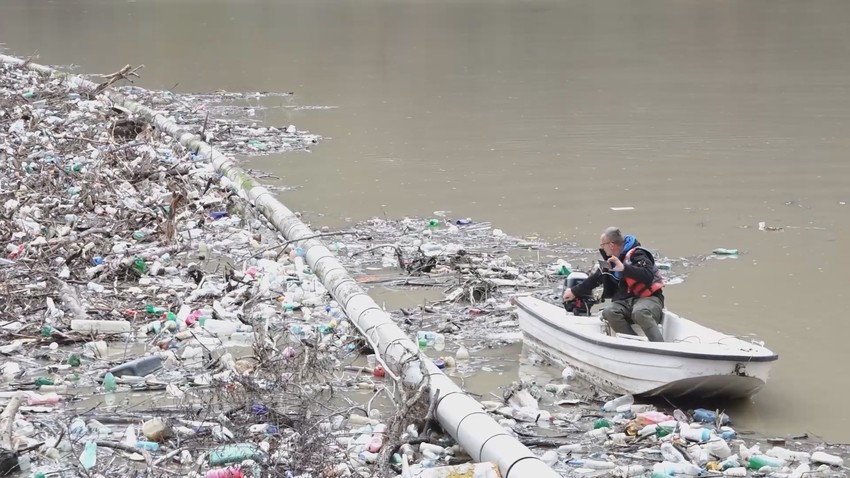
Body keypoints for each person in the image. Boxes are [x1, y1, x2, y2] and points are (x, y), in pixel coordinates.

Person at [562, 227, 666, 342]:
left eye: (603, 245)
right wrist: (573, 291)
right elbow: (597, 278)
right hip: (626, 302)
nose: (602, 248)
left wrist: (624, 268)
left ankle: (661, 347)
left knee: (640, 312)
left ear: (611, 245)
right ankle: (634, 344)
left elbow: (647, 275)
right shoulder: (611, 260)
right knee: (609, 312)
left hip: (649, 299)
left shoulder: (638, 254)